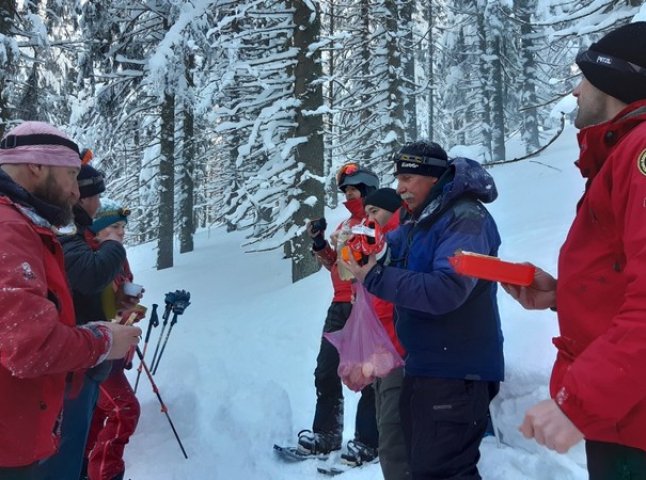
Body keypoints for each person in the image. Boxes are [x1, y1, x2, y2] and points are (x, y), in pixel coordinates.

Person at [502, 22, 646, 478]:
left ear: (614, 79)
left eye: (584, 76)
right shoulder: (620, 153)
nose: (576, 90)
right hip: (624, 414)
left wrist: (580, 403)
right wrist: (564, 295)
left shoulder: (641, 152)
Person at [345, 141, 504, 480]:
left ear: (433, 177)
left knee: (443, 472)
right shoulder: (423, 221)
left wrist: (375, 275)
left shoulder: (464, 219)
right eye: (398, 178)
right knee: (421, 469)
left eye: (407, 178)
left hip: (457, 371)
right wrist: (364, 245)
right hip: (425, 366)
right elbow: (389, 250)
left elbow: (447, 290)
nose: (399, 188)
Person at [0, 121, 140, 479]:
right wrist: (105, 340)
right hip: (13, 441)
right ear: (36, 166)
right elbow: (31, 346)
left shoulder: (27, 227)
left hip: (30, 423)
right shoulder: (9, 230)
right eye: (72, 175)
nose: (77, 193)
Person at [39, 162, 130, 480]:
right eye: (94, 196)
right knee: (74, 440)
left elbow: (97, 296)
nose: (96, 202)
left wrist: (125, 305)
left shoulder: (81, 239)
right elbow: (89, 276)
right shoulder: (70, 237)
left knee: (80, 437)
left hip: (92, 357)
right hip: (74, 362)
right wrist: (113, 246)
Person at [297, 163, 380, 464]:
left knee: (371, 373)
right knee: (326, 370)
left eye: (353, 189)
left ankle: (369, 440)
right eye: (345, 190)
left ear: (368, 189)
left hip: (368, 306)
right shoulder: (344, 226)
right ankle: (327, 434)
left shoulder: (378, 222)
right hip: (339, 305)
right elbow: (335, 265)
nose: (348, 194)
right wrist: (320, 243)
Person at [83, 199, 142, 480]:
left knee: (96, 413)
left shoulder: (119, 260)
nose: (121, 232)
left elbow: (120, 311)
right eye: (114, 227)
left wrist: (131, 306)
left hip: (116, 353)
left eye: (122, 227)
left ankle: (83, 468)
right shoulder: (88, 260)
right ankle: (106, 473)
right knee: (124, 408)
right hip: (97, 352)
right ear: (96, 231)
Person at [362, 188, 410, 480]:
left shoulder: (398, 242)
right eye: (367, 213)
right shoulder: (374, 245)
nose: (370, 219)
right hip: (382, 351)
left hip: (400, 354)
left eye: (375, 212)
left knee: (393, 438)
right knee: (387, 432)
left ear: (393, 211)